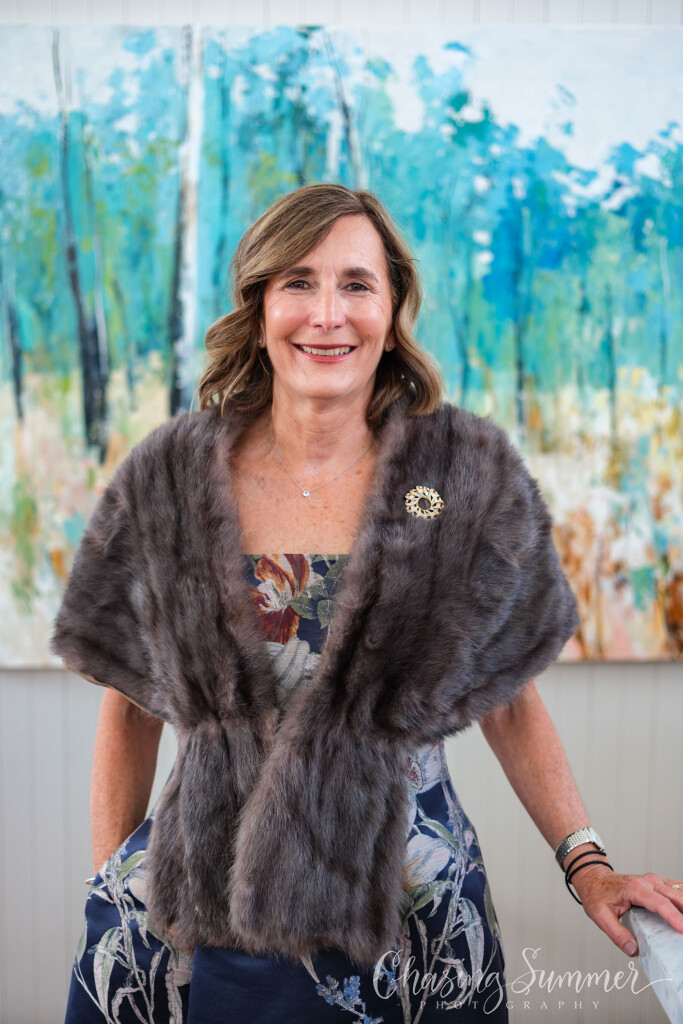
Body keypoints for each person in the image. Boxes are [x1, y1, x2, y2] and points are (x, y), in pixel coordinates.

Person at [51, 183, 683, 1024]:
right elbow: (129, 710)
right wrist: (112, 891)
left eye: (355, 284)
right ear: (259, 308)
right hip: (195, 907)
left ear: (391, 310)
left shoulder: (456, 480)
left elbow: (508, 702)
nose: (327, 314)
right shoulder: (169, 479)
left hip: (409, 908)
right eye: (298, 283)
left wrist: (588, 865)